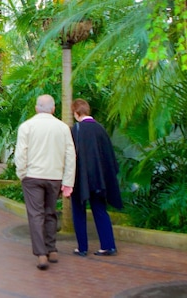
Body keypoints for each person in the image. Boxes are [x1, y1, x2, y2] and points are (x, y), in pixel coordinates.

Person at [15, 94, 76, 270]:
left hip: (32, 176)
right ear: (53, 109)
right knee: (50, 212)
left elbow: (21, 153)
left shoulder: (27, 126)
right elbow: (70, 155)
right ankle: (52, 249)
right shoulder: (63, 127)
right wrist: (68, 180)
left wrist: (22, 174)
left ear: (36, 108)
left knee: (35, 215)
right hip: (55, 176)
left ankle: (41, 254)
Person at [70, 98, 123, 257]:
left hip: (81, 179)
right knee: (100, 210)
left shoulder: (76, 129)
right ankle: (108, 245)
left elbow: (71, 155)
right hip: (100, 179)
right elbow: (110, 157)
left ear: (76, 113)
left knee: (78, 211)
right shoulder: (101, 129)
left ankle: (82, 247)